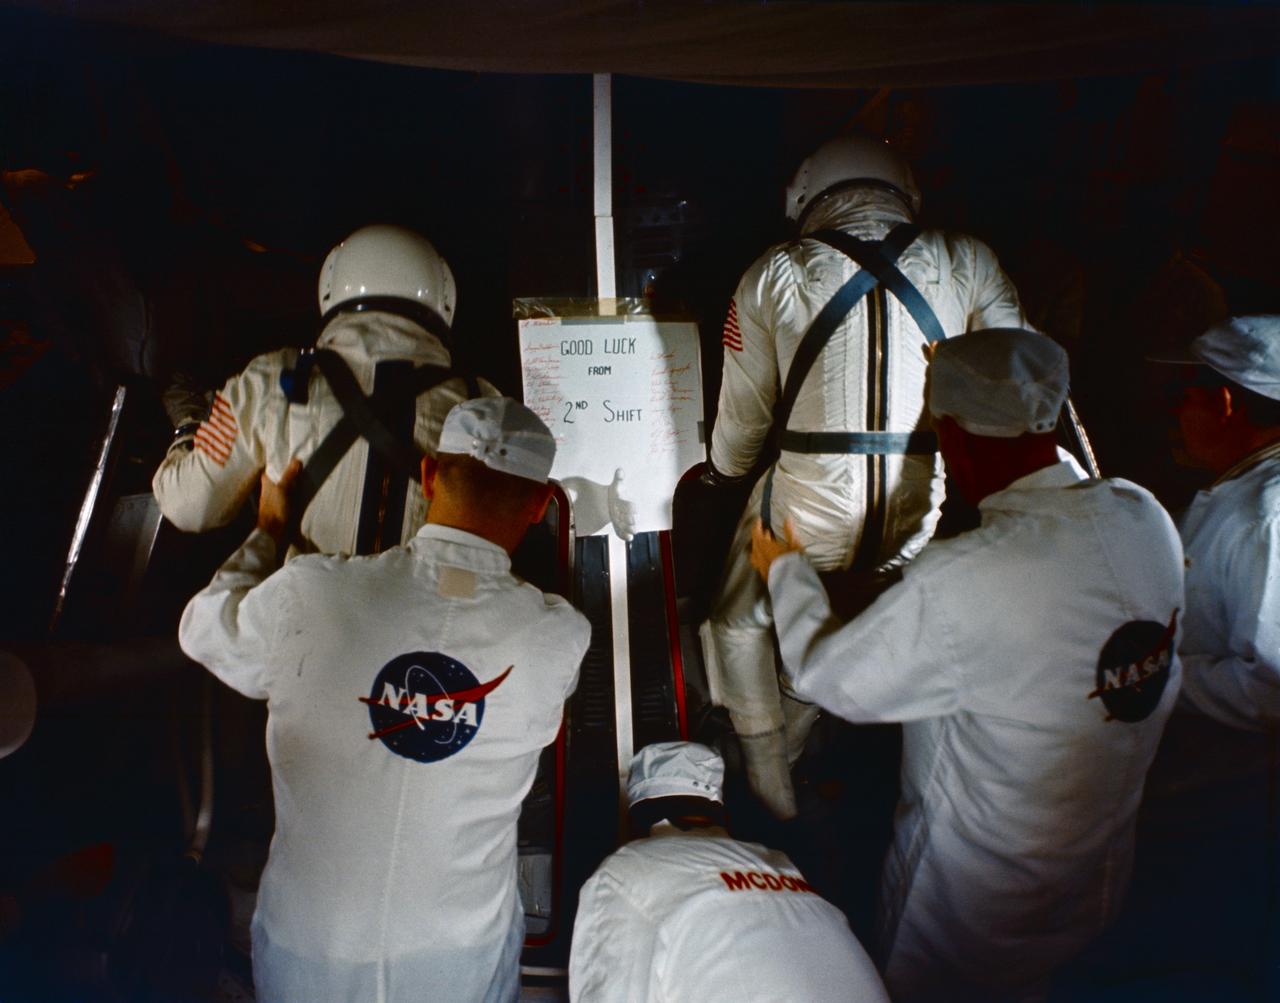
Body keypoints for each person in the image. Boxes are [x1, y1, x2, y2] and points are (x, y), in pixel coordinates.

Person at [750, 329, 1184, 1001]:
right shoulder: (1144, 515)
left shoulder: (970, 575)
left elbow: (830, 678)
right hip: (1094, 877)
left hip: (970, 909)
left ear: (950, 437)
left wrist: (788, 575)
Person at [178, 397, 591, 1003]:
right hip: (458, 966)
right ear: (537, 507)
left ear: (428, 477)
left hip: (308, 953)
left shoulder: (312, 595)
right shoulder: (558, 637)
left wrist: (270, 532)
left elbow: (203, 628)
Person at [701, 133, 1026, 817]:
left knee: (736, 620)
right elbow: (1016, 381)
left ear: (805, 195)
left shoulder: (773, 272)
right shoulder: (969, 260)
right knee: (849, 613)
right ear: (904, 189)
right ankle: (806, 725)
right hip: (917, 512)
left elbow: (742, 423)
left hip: (804, 510)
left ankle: (768, 783)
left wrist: (724, 471)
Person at [154, 223, 497, 557]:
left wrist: (188, 429)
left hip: (300, 611)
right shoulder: (482, 403)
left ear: (330, 287)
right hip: (432, 613)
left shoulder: (270, 379)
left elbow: (190, 507)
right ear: (445, 299)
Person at [568, 741, 888, 1003]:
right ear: (717, 809)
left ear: (639, 813)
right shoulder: (778, 862)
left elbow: (605, 991)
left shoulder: (628, 871)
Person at [1163, 315, 1280, 729]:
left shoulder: (1266, 515)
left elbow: (1270, 690)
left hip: (1244, 771)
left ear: (1224, 403)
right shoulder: (1248, 488)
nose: (1175, 413)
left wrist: (1150, 675)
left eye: (1184, 397)